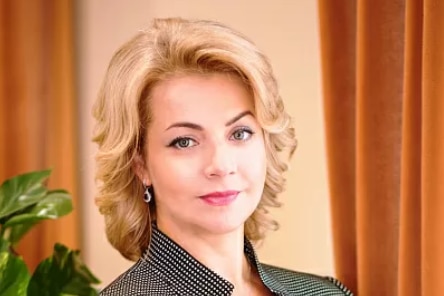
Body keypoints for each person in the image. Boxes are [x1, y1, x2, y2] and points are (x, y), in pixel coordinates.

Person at [93, 17, 353, 296]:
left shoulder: (325, 292)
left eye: (239, 133)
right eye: (185, 141)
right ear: (140, 165)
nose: (221, 165)